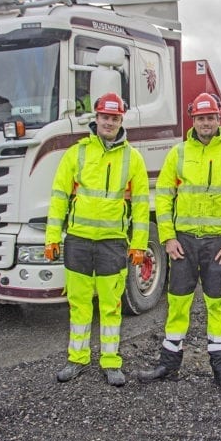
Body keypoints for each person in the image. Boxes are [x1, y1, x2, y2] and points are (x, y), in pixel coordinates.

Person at [137, 92, 221, 393]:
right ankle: (168, 364)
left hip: (218, 245)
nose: (206, 123)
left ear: (219, 119)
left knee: (217, 306)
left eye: (211, 117)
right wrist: (167, 238)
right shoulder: (178, 153)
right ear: (194, 121)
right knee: (177, 304)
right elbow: (163, 197)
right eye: (201, 118)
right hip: (183, 243)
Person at [45, 92, 149, 386]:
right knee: (79, 304)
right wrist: (53, 237)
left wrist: (139, 243)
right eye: (104, 117)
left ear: (120, 121)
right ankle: (76, 360)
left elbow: (141, 205)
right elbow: (59, 197)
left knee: (111, 305)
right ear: (96, 117)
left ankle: (110, 362)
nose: (109, 122)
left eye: (114, 118)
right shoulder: (76, 153)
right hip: (78, 240)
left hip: (112, 243)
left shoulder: (133, 158)